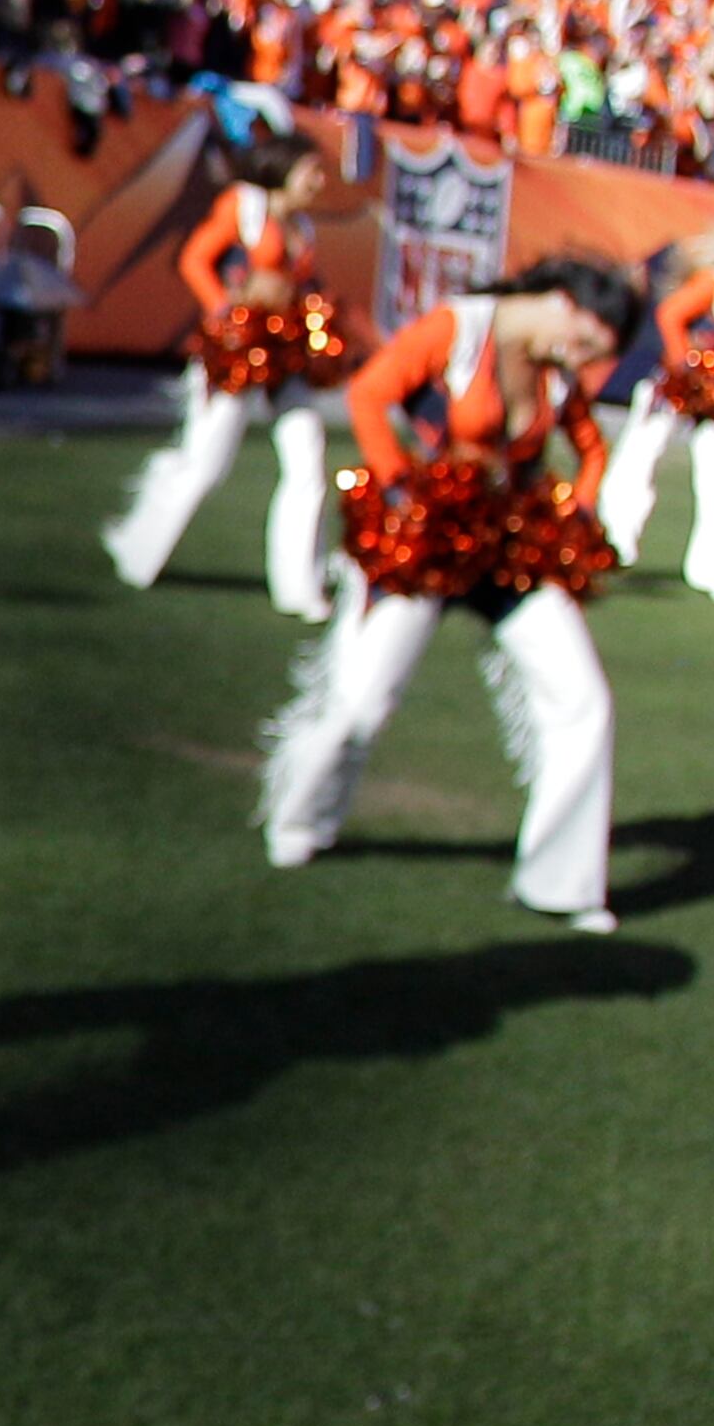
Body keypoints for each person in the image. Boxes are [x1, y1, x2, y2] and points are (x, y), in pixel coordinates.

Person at [258, 258, 643, 929]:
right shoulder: (459, 328)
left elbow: (590, 446)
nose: (581, 359)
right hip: (428, 542)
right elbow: (370, 395)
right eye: (584, 342)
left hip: (508, 550)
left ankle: (562, 883)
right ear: (561, 301)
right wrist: (405, 489)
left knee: (584, 700)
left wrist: (575, 512)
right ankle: (300, 820)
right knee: (361, 701)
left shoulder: (555, 367)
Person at [102, 129, 345, 619]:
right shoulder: (245, 206)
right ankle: (139, 549)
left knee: (307, 456)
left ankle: (299, 586)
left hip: (284, 351)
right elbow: (195, 259)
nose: (320, 181)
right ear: (284, 168)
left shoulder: (304, 228)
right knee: (206, 464)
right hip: (238, 349)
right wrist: (225, 314)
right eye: (312, 170)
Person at [597, 211, 714, 606]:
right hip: (671, 388)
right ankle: (611, 544)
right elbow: (670, 315)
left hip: (707, 399)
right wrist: (687, 365)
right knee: (638, 463)